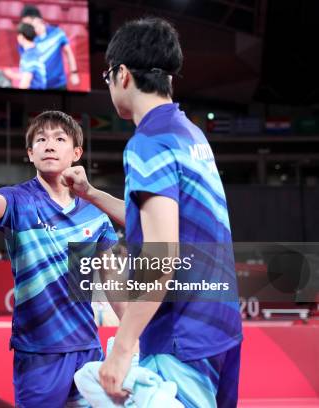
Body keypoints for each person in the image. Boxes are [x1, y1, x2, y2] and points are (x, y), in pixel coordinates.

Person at [65, 17, 243, 408]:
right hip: (221, 328)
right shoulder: (190, 135)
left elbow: (162, 255)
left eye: (106, 76)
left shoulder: (148, 143)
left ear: (122, 75)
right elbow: (162, 223)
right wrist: (91, 194)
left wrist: (123, 347)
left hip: (182, 337)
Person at [0, 112, 121, 407]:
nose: (49, 145)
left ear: (76, 152)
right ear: (30, 153)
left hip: (87, 346)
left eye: (59, 139)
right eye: (41, 139)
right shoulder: (18, 200)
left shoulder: (94, 210)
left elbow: (111, 278)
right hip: (38, 353)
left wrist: (129, 335)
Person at [20, 5, 79, 90]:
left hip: (58, 84)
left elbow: (68, 52)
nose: (26, 28)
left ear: (38, 20)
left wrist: (74, 72)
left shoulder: (57, 33)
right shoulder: (28, 39)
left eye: (28, 24)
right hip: (38, 87)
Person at [4, 23, 47, 90]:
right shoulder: (36, 50)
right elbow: (29, 74)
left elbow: (25, 83)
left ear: (21, 37)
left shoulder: (29, 57)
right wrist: (12, 75)